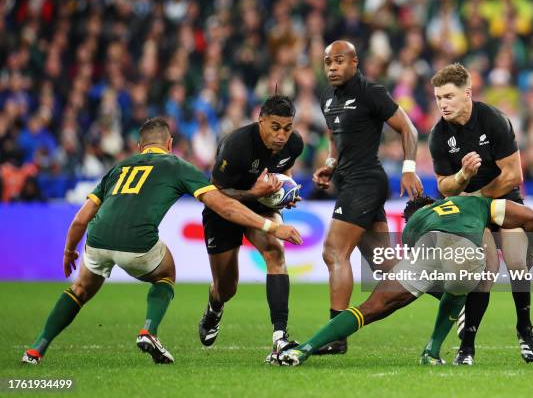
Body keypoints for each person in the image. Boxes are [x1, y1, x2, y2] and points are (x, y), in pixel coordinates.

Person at [21, 117, 302, 365]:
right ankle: (149, 331)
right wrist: (271, 226)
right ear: (169, 144)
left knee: (80, 289)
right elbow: (224, 205)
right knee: (166, 272)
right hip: (138, 243)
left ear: (139, 147)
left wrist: (70, 250)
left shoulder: (119, 167)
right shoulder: (177, 166)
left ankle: (35, 349)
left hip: (96, 239)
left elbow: (81, 218)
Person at [275, 195, 533, 366]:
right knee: (458, 286)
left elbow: (425, 270)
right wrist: (530, 252)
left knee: (371, 307)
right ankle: (432, 351)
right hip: (463, 248)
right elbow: (531, 217)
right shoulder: (474, 202)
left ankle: (304, 348)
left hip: (426, 246)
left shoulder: (412, 227)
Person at [311, 40, 423, 355]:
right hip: (350, 182)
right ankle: (453, 296)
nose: (332, 67)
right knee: (385, 264)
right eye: (327, 62)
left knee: (334, 252)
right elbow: (336, 137)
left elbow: (409, 129)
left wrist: (409, 168)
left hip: (365, 182)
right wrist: (330, 166)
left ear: (355, 62)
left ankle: (336, 334)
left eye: (339, 61)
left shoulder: (370, 92)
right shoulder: (327, 98)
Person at [427, 63, 533, 365]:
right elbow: (444, 186)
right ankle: (467, 346)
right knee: (484, 272)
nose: (443, 104)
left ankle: (525, 329)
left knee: (517, 263)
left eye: (449, 96)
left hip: (503, 202)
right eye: (438, 98)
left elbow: (513, 175)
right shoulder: (439, 135)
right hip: (472, 213)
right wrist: (463, 175)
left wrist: (476, 195)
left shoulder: (493, 120)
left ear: (467, 93)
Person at [198, 95, 304, 362]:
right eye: (275, 127)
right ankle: (214, 305)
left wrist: (286, 192)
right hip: (224, 207)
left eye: (288, 128)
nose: (282, 135)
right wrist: (253, 192)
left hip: (260, 203)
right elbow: (216, 193)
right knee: (226, 288)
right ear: (261, 121)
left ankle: (280, 338)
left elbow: (284, 170)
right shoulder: (236, 146)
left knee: (275, 252)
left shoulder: (295, 144)